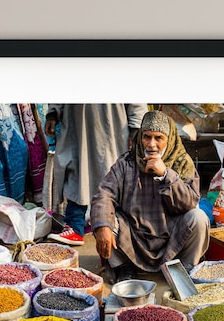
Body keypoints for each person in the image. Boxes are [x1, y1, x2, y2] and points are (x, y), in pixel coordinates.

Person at [90, 110, 210, 282]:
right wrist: (102, 227)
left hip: (171, 237)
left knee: (198, 218)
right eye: (147, 137)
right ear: (140, 137)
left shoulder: (182, 163)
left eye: (158, 138)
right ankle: (125, 266)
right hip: (133, 238)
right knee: (104, 219)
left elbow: (190, 202)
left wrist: (166, 175)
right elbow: (103, 194)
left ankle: (184, 269)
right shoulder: (126, 163)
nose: (151, 145)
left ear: (169, 140)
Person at [45, 103, 148, 245]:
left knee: (110, 176)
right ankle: (75, 226)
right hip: (76, 124)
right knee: (75, 169)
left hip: (112, 125)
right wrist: (53, 113)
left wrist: (136, 128)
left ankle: (116, 229)